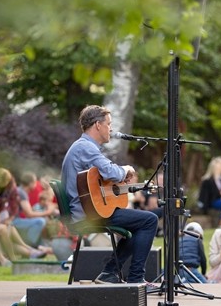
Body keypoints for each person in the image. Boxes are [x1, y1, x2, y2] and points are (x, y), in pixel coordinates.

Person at [61, 105, 157, 284]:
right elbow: (111, 171)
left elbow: (97, 181)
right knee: (149, 220)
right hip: (87, 214)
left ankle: (110, 273)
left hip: (87, 210)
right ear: (98, 125)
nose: (111, 129)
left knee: (139, 224)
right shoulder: (86, 148)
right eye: (108, 124)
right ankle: (135, 278)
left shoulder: (83, 147)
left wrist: (119, 183)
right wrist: (126, 169)